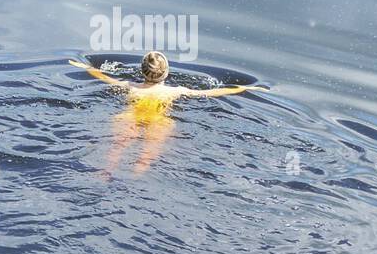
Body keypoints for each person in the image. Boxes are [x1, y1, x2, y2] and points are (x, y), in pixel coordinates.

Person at [68, 52, 265, 174]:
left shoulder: (130, 86)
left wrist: (85, 66)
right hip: (159, 121)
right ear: (166, 73)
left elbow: (103, 77)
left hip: (128, 117)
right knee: (147, 155)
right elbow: (212, 92)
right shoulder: (176, 91)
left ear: (142, 71)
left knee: (116, 149)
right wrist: (245, 89)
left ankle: (105, 173)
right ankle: (135, 179)